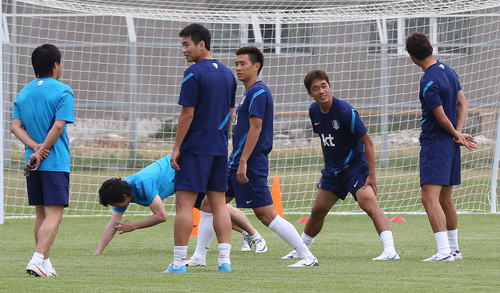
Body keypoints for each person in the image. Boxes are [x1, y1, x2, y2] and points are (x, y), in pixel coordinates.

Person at [206, 46, 318, 268]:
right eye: (236, 63)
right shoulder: (248, 92)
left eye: (243, 63)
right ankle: (199, 258)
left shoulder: (258, 92)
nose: (237, 67)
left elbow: (255, 129)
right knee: (209, 204)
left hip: (250, 162)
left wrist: (244, 161)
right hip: (236, 160)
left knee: (266, 215)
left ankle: (307, 256)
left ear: (256, 66)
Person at [281, 70, 399, 261]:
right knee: (317, 211)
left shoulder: (345, 112)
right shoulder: (313, 111)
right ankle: (302, 250)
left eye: (324, 85)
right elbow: (323, 139)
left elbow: (368, 142)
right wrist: (326, 167)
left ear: (330, 86)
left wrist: (372, 175)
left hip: (355, 168)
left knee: (368, 205)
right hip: (333, 172)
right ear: (310, 93)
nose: (321, 91)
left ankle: (390, 250)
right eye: (315, 88)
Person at [95, 155, 265, 256]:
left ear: (124, 197)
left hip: (188, 170)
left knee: (216, 205)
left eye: (115, 204)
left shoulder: (143, 185)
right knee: (211, 208)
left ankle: (256, 237)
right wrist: (98, 253)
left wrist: (134, 226)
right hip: (180, 182)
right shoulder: (123, 191)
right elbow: (113, 224)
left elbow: (161, 216)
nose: (115, 207)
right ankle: (246, 233)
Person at [167, 23, 237, 273]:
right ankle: (224, 261)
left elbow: (187, 113)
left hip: (195, 147)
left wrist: (177, 147)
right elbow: (230, 114)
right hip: (219, 148)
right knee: (219, 204)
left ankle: (177, 264)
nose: (183, 50)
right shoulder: (229, 74)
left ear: (201, 45)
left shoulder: (193, 73)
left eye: (186, 44)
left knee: (184, 205)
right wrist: (222, 141)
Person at [406, 32, 476, 261]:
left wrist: (456, 132)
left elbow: (442, 118)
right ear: (432, 48)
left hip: (436, 143)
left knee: (429, 197)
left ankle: (444, 252)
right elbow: (462, 103)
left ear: (411, 57)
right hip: (451, 143)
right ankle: (454, 249)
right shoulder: (448, 70)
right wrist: (458, 134)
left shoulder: (428, 80)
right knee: (445, 199)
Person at [11, 44, 75, 277]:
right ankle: (37, 259)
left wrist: (34, 148)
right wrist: (44, 149)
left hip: (32, 163)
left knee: (41, 215)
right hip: (54, 162)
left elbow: (15, 127)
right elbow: (59, 125)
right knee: (54, 214)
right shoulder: (63, 91)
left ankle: (45, 263)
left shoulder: (23, 93)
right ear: (56, 65)